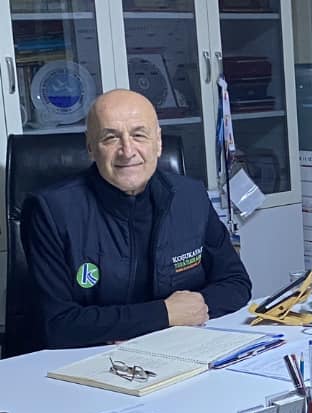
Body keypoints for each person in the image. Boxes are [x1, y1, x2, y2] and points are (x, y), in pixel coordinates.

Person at [22, 89, 251, 349]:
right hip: (91, 357)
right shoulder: (50, 211)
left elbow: (236, 283)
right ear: (90, 147)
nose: (127, 151)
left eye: (139, 135)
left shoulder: (190, 196)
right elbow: (58, 324)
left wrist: (187, 311)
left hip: (181, 346)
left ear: (158, 142)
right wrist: (164, 315)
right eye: (110, 138)